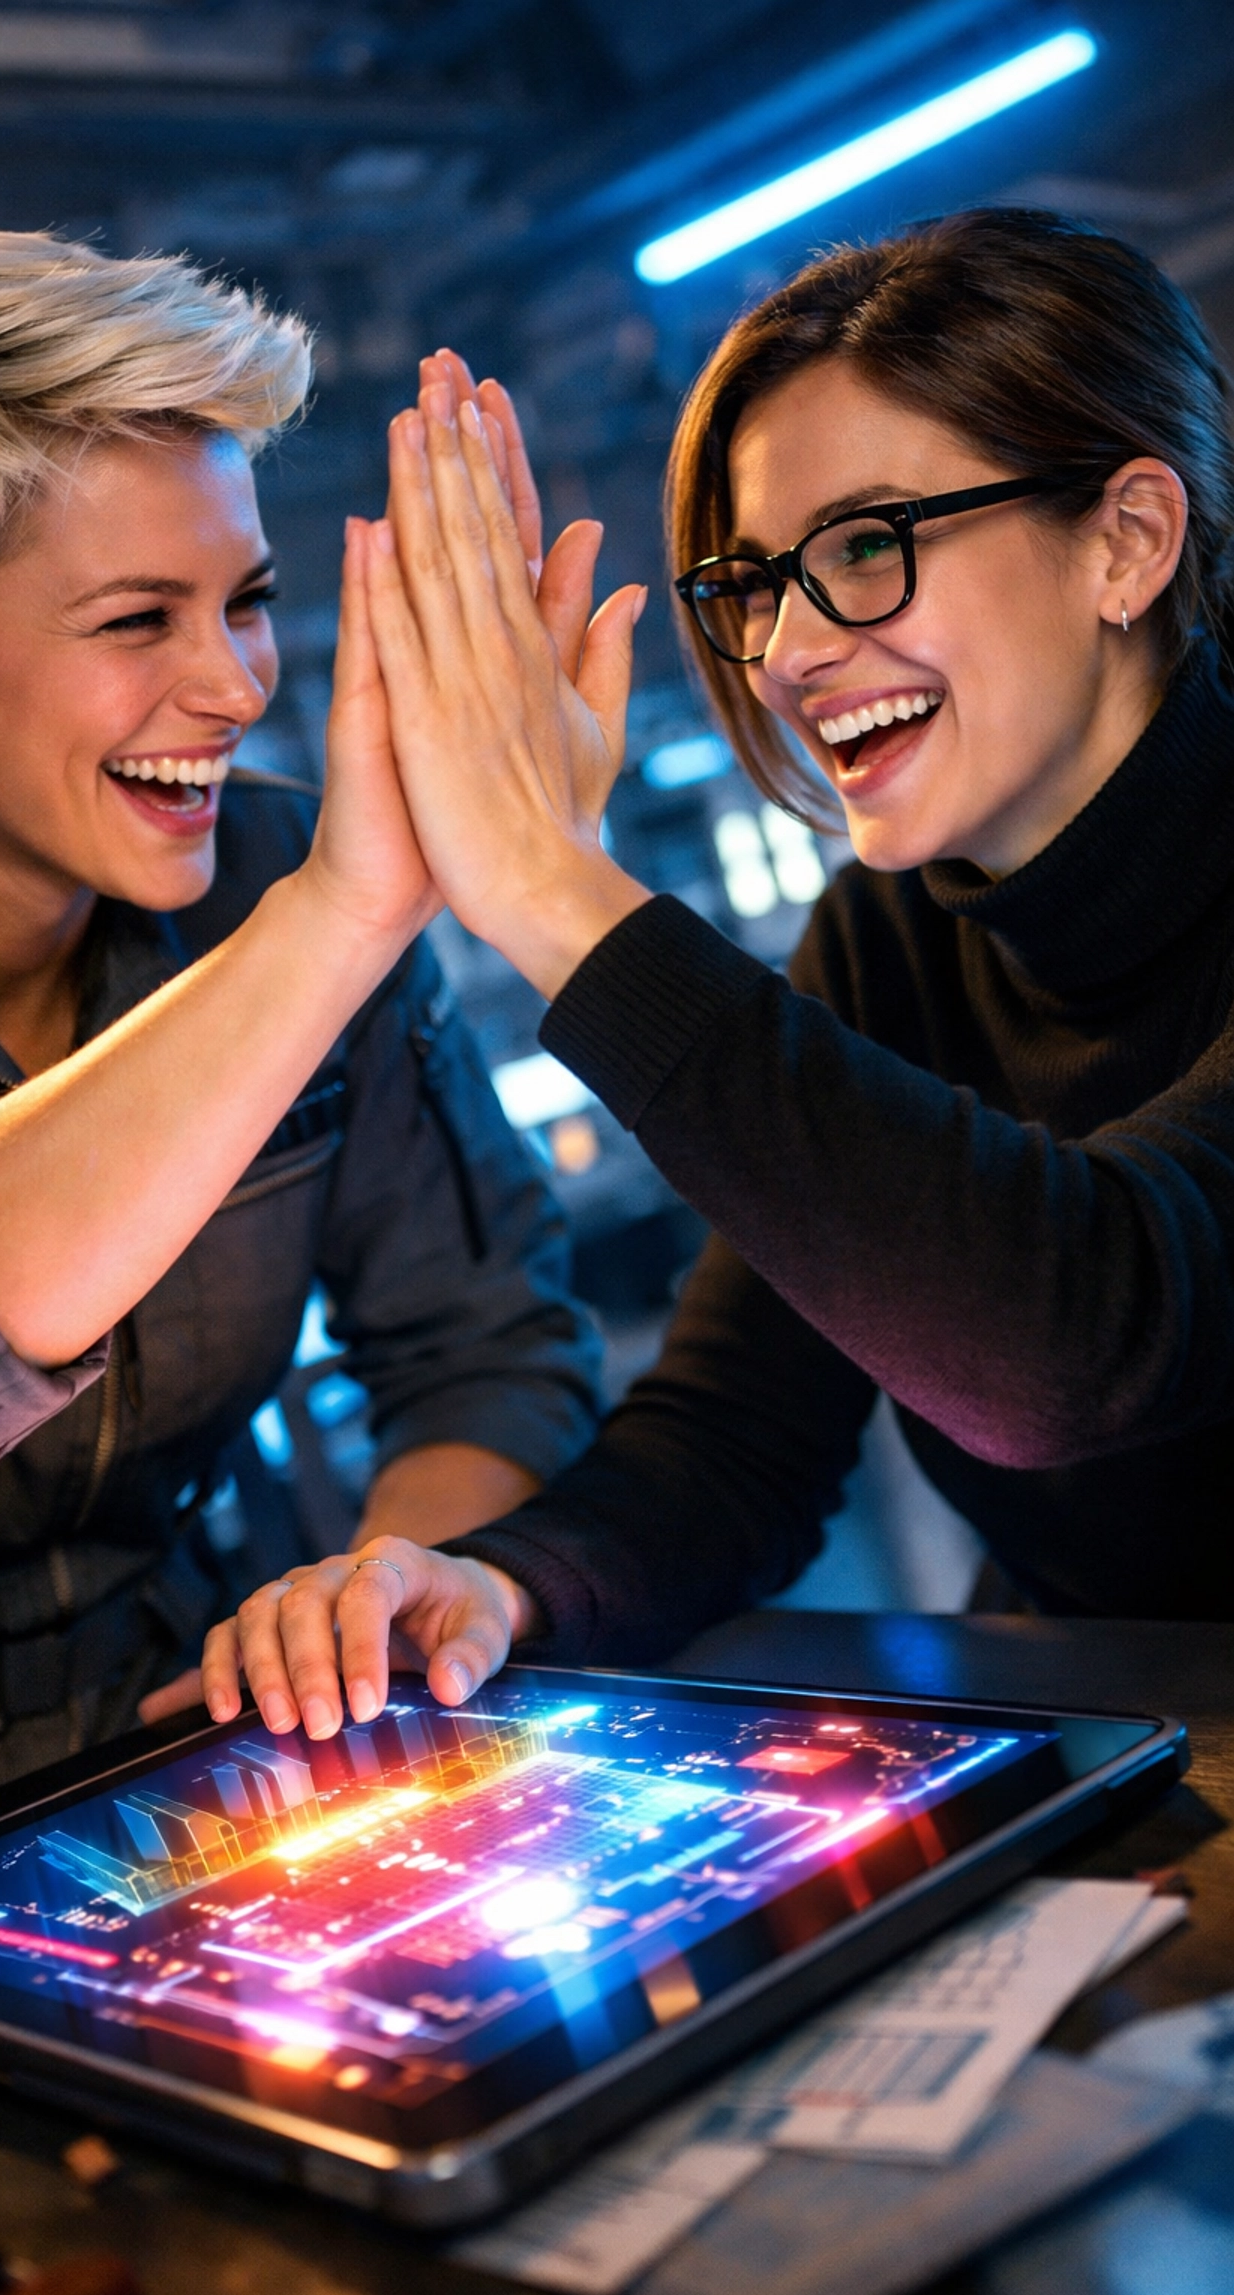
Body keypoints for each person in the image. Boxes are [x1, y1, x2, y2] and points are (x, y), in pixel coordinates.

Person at [211, 207, 1234, 1740]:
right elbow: (741, 1436)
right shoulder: (896, 938)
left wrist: (555, 887)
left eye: (868, 549)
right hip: (1138, 1739)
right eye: (756, 584)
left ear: (1127, 542)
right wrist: (498, 1586)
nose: (790, 653)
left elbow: (1086, 1335)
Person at [0, 229, 607, 1891]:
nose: (237, 683)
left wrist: (394, 1582)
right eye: (139, 620)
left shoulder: (272, 883)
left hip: (198, 1742)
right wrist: (341, 919)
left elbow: (489, 1345)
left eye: (248, 602)